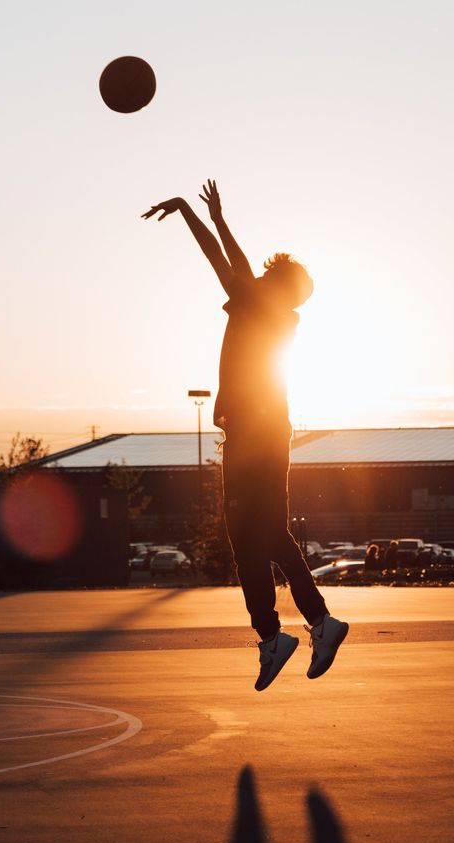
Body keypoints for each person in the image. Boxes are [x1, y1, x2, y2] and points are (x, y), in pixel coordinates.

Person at [142, 180, 348, 691]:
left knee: (246, 542)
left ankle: (272, 637)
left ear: (274, 283)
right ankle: (321, 623)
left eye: (263, 272)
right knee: (273, 535)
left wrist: (206, 216)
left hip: (254, 438)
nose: (252, 273)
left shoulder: (262, 305)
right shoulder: (271, 309)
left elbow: (223, 260)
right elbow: (228, 264)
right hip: (269, 434)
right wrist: (202, 215)